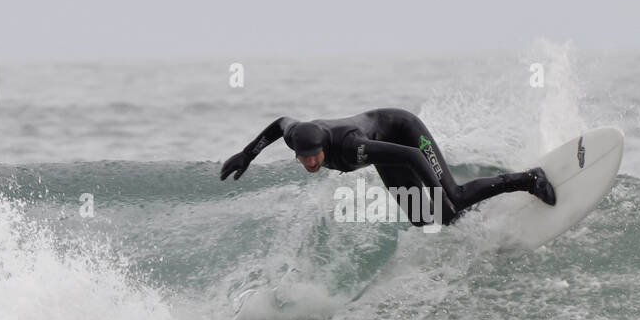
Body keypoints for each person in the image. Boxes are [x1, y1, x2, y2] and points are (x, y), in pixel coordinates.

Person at [219, 108, 555, 227]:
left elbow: (412, 156)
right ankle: (479, 219)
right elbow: (279, 124)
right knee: (425, 218)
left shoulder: (351, 146)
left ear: (323, 148)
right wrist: (247, 154)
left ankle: (528, 179)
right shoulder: (297, 137)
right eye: (304, 158)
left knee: (451, 197)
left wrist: (442, 193)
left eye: (315, 156)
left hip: (405, 130)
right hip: (385, 150)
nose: (310, 163)